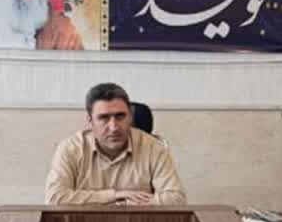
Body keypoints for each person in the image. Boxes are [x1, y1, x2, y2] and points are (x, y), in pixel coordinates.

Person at [45, 82, 186, 205]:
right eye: (104, 118)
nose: (113, 127)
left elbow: (176, 199)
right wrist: (114, 195)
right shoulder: (70, 149)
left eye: (120, 116)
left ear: (130, 117)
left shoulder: (153, 147)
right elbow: (54, 198)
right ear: (90, 121)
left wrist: (125, 204)